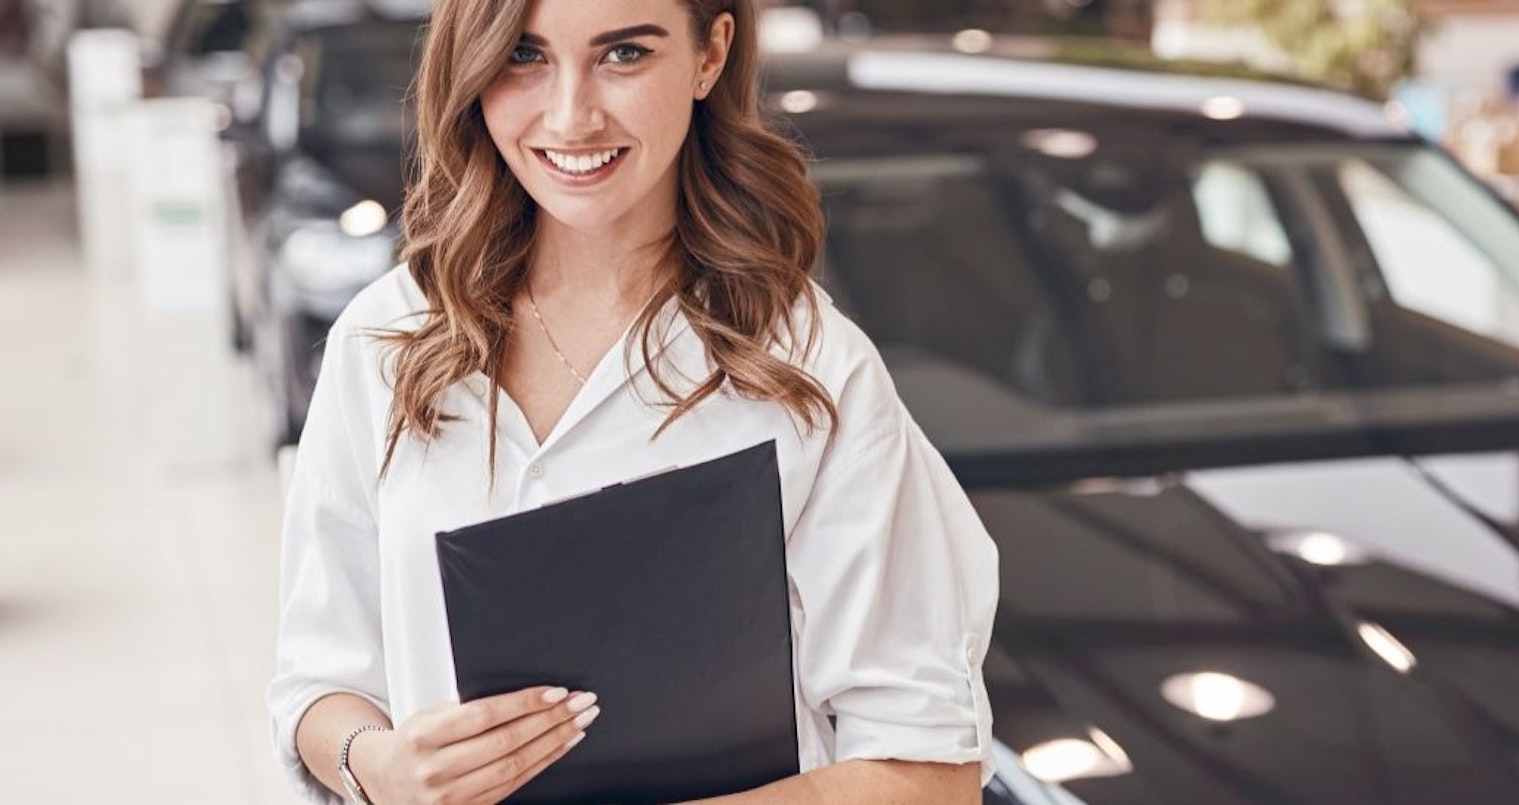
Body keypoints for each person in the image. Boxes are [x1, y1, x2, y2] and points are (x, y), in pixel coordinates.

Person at [265, 0, 998, 802]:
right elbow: (317, 679)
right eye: (523, 56)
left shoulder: (811, 369)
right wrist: (377, 764)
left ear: (710, 54)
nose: (571, 115)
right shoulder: (388, 337)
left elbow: (930, 769)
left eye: (623, 55)